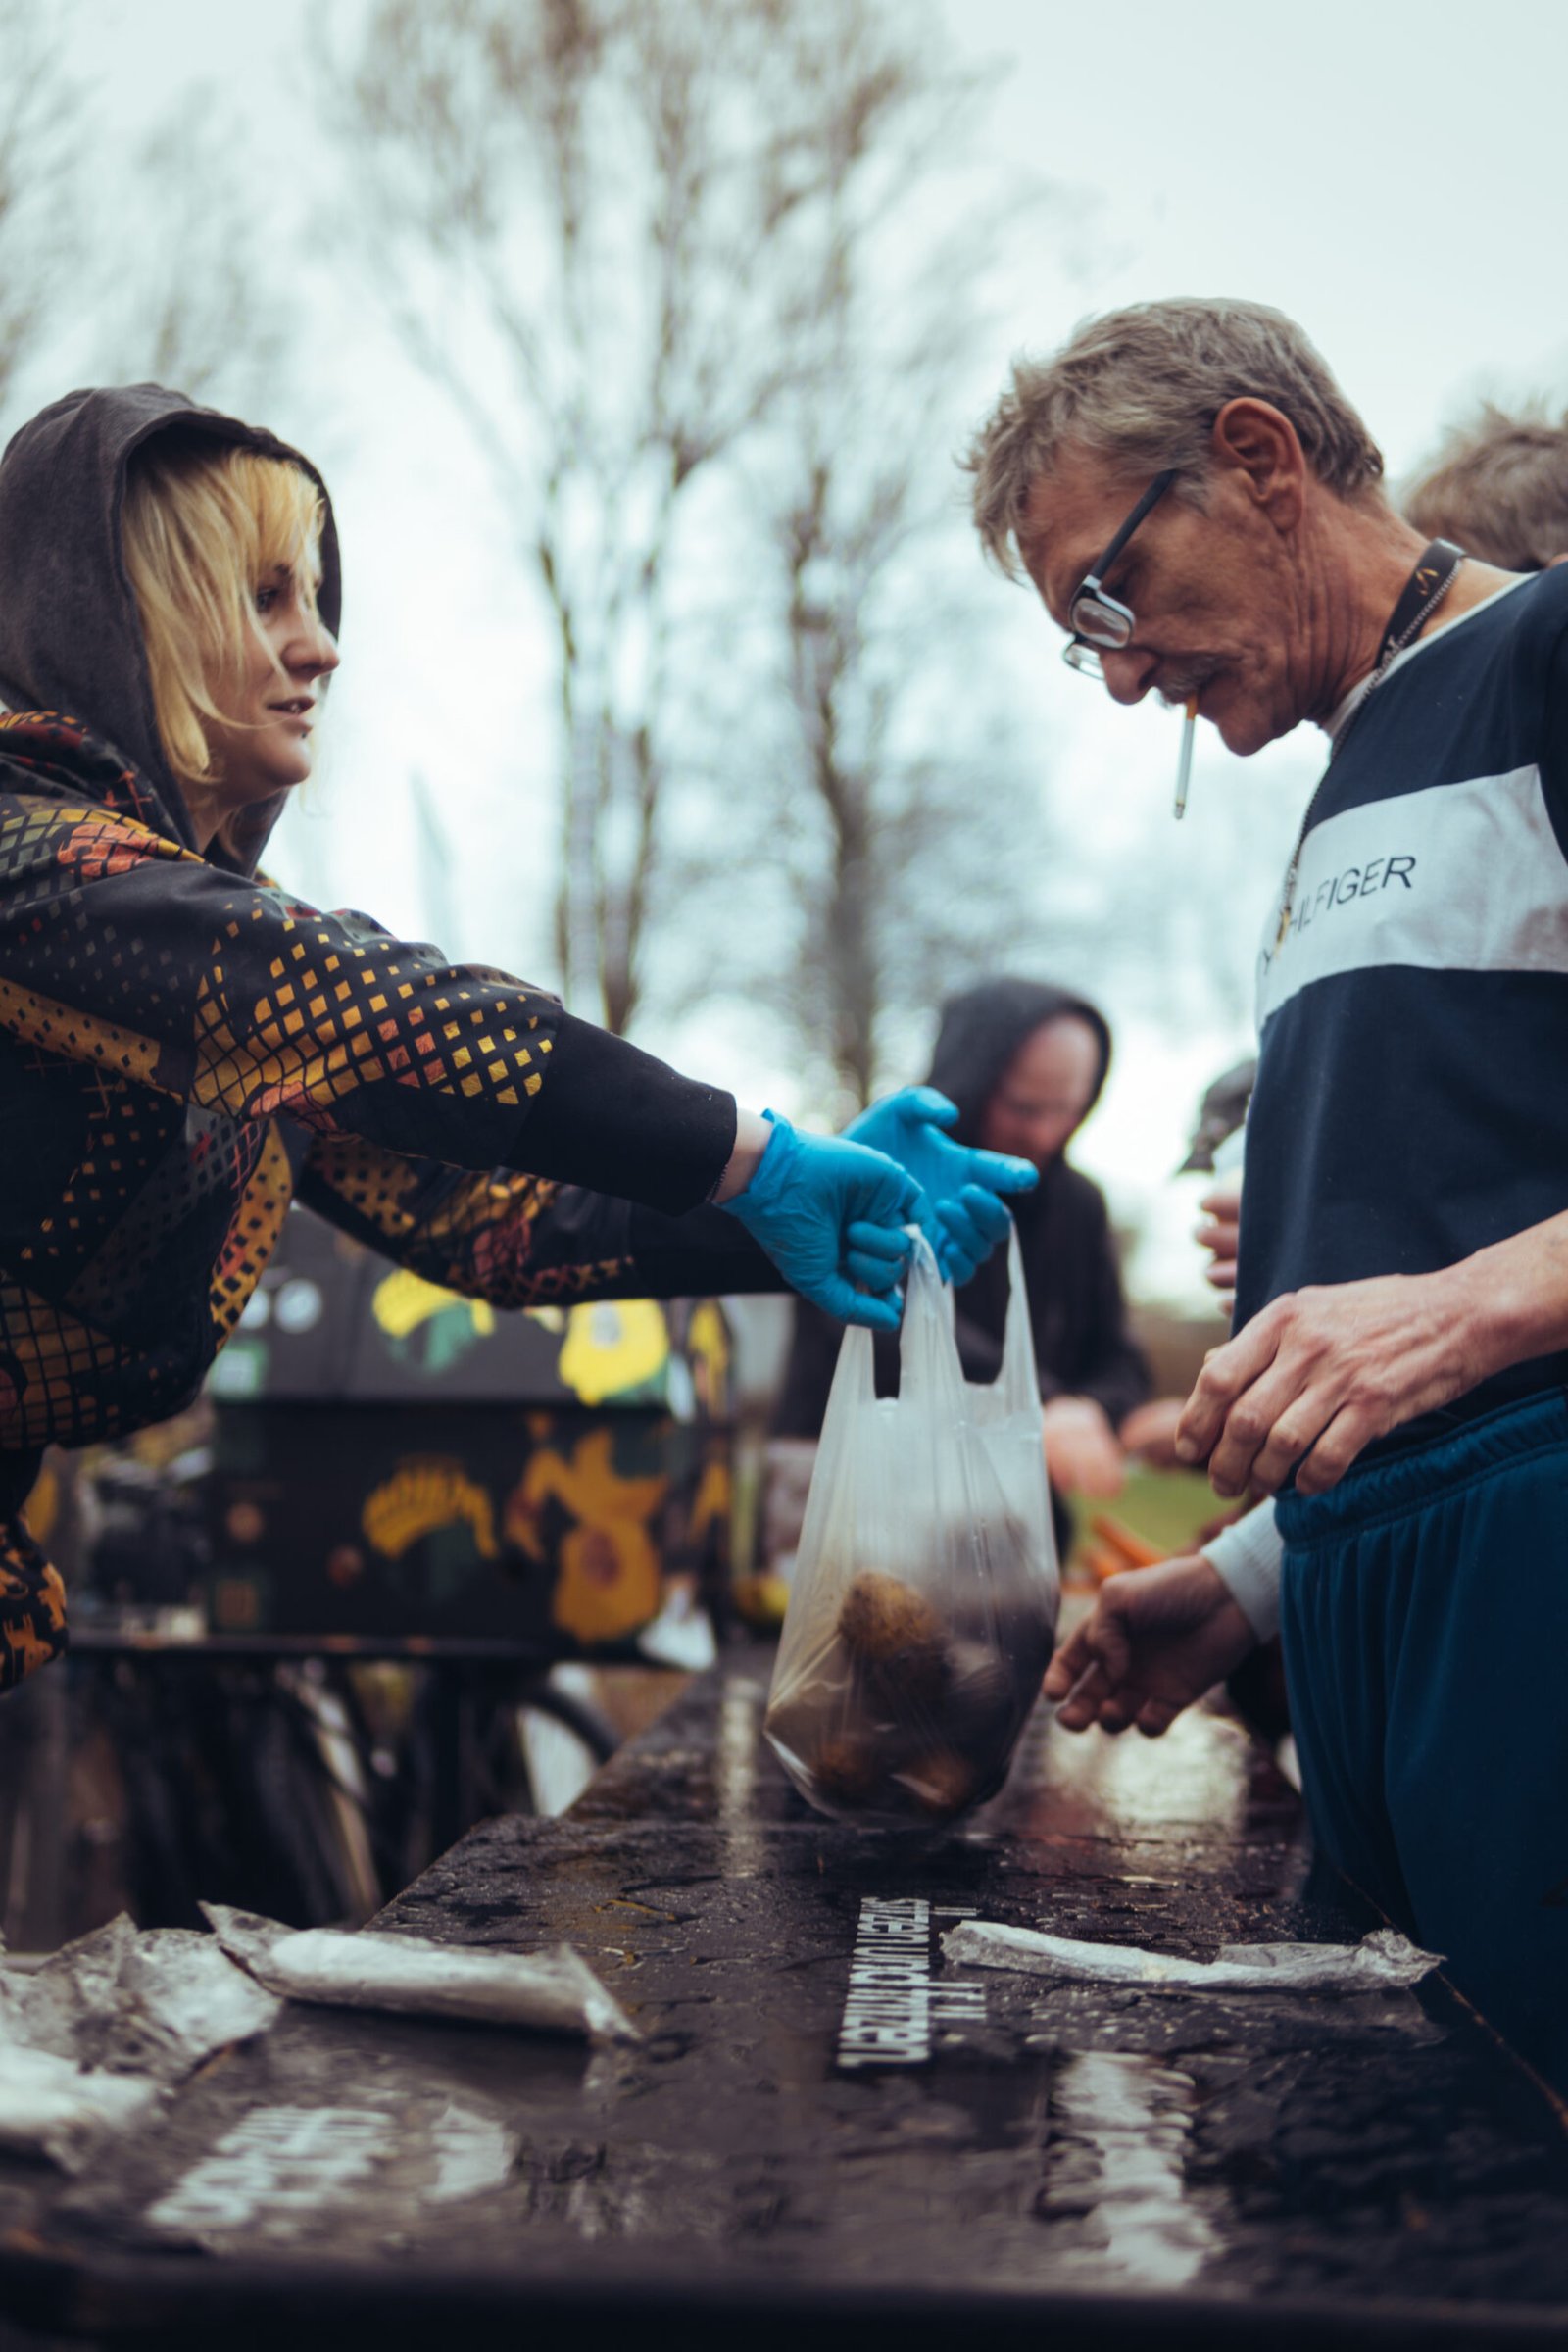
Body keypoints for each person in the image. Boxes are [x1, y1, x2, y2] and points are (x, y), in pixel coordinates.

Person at [0, 384, 1036, 1690]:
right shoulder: (29, 866)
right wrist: (739, 1146)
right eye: (266, 598)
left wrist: (778, 1210)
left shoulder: (215, 972)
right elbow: (381, 1011)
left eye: (319, 601)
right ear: (114, 610)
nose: (320, 649)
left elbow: (494, 1220)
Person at [966, 298, 1568, 2087]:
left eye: (1106, 594)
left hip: (1530, 1620)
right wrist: (1253, 1576)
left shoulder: (1547, 657)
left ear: (1256, 458)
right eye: (1084, 644)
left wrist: (1458, 1315)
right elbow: (1407, 1256)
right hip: (1367, 1652)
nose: (1125, 671)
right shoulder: (1344, 793)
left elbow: (1447, 1320)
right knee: (1372, 2206)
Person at [771, 978, 1153, 1559]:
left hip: (1009, 1520)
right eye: (1024, 1108)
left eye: (1067, 1111)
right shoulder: (881, 1173)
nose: (1045, 1133)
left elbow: (1118, 1356)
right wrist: (1042, 1402)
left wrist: (1094, 1410)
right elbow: (880, 1317)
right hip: (848, 1495)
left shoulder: (1080, 1206)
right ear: (971, 1083)